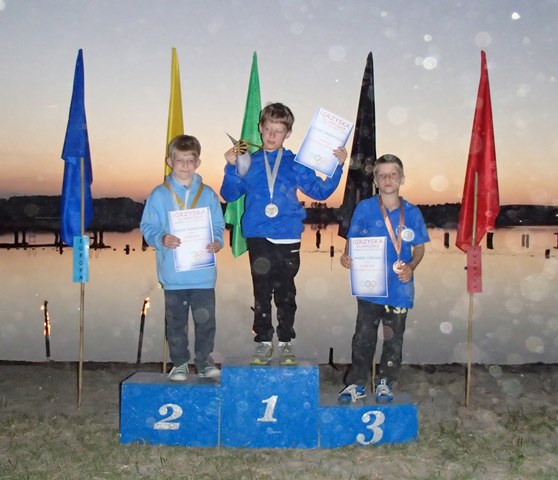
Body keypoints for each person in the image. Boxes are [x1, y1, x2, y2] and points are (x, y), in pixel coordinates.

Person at [221, 102, 347, 365]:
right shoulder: (248, 161)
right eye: (268, 129)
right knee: (261, 290)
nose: (271, 135)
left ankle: (286, 340)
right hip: (258, 234)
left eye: (278, 131)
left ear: (288, 133)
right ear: (260, 127)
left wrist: (337, 166)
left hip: (288, 234)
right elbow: (230, 194)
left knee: (286, 292)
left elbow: (320, 191)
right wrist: (231, 167)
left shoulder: (296, 163)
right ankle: (264, 342)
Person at [338, 154, 429, 403]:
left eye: (393, 174)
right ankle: (357, 383)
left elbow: (420, 248)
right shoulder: (365, 208)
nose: (388, 179)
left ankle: (385, 383)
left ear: (402, 178)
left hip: (400, 287)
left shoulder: (412, 212)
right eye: (382, 175)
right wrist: (346, 256)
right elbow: (353, 239)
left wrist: (411, 266)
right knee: (363, 336)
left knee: (393, 339)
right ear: (375, 180)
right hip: (370, 286)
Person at [141, 134, 225, 381]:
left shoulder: (208, 194)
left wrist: (217, 241)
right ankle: (179, 363)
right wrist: (161, 238)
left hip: (202, 274)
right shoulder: (159, 195)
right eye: (180, 160)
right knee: (176, 324)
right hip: (173, 275)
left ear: (198, 163)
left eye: (190, 160)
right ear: (170, 161)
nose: (185, 165)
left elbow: (217, 225)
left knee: (206, 323)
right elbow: (148, 227)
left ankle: (204, 362)